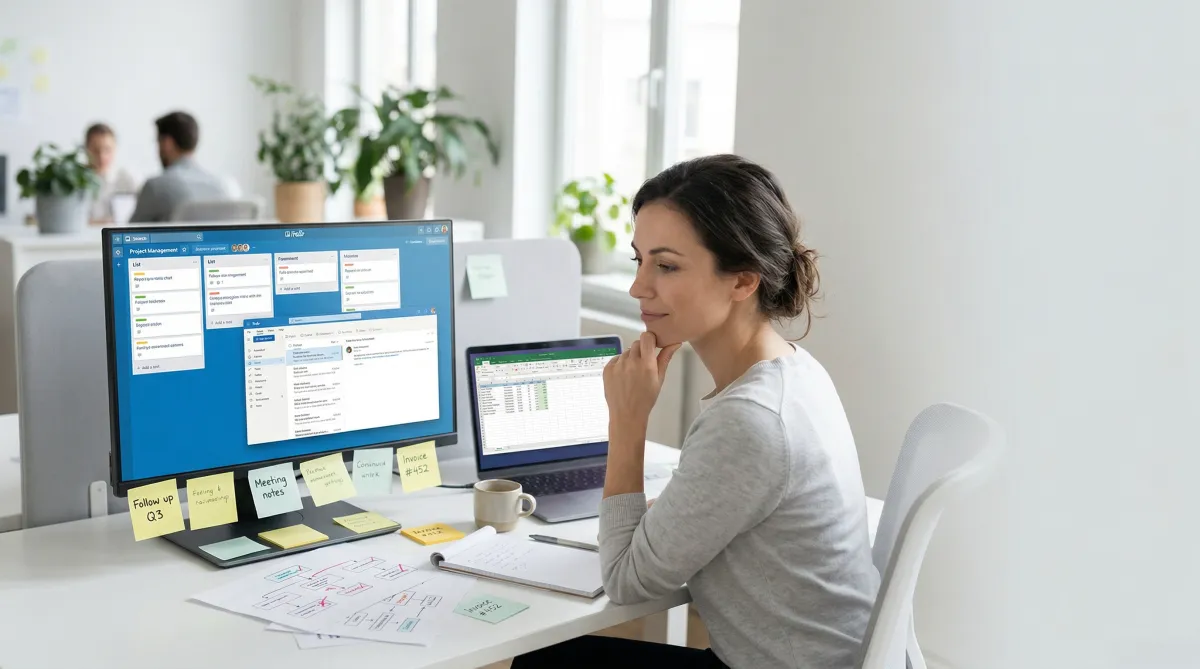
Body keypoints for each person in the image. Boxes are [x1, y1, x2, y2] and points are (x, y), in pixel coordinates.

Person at [512, 155, 880, 669]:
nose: (638, 287)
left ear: (743, 281)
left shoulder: (749, 420)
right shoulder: (796, 370)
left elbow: (625, 580)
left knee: (544, 662)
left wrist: (627, 421)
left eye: (666, 266)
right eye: (639, 260)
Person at [129, 111, 233, 222]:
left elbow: (130, 231)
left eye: (158, 142)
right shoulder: (226, 187)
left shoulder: (154, 187)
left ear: (167, 143)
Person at [83, 123, 140, 223]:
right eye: (95, 150)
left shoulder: (128, 179)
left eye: (107, 150)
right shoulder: (76, 181)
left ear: (115, 148)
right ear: (86, 149)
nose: (102, 156)